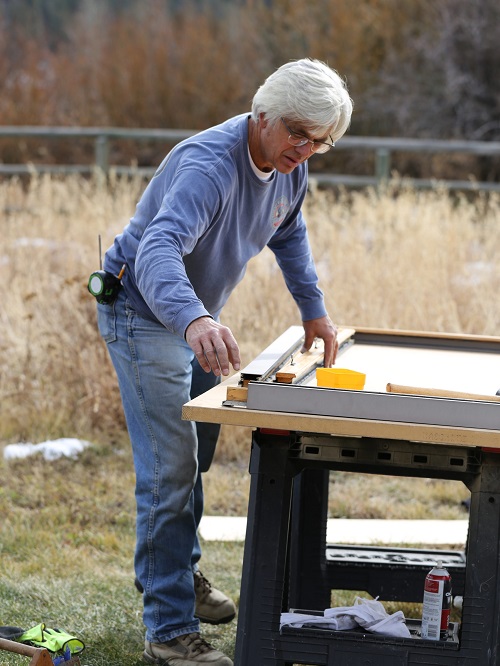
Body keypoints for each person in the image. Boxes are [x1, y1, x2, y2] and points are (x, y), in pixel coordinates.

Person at [95, 57, 353, 666]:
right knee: (170, 471)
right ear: (263, 115)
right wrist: (197, 320)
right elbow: (158, 248)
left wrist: (313, 309)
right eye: (298, 132)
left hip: (191, 317)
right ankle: (168, 631)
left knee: (193, 459)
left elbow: (287, 230)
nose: (307, 149)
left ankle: (176, 574)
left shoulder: (291, 168)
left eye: (322, 141)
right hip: (142, 310)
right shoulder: (208, 166)